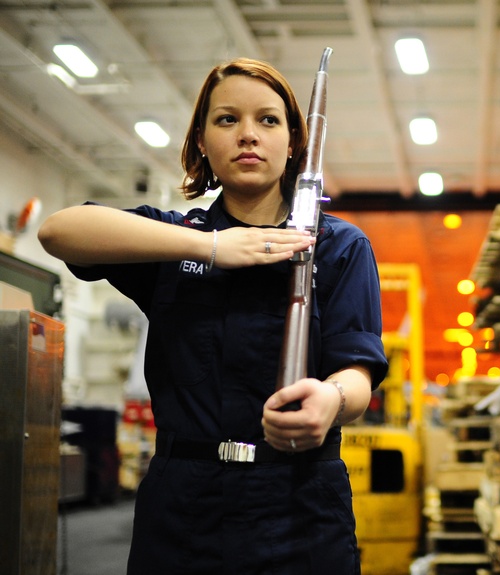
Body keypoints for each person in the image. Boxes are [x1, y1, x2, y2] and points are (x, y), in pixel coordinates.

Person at [38, 57, 387, 574]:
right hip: (183, 508)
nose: (248, 134)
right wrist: (212, 246)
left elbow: (357, 370)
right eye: (227, 120)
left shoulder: (339, 246)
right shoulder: (174, 239)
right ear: (201, 139)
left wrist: (331, 400)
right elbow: (60, 231)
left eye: (268, 120)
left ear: (293, 141)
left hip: (300, 505)